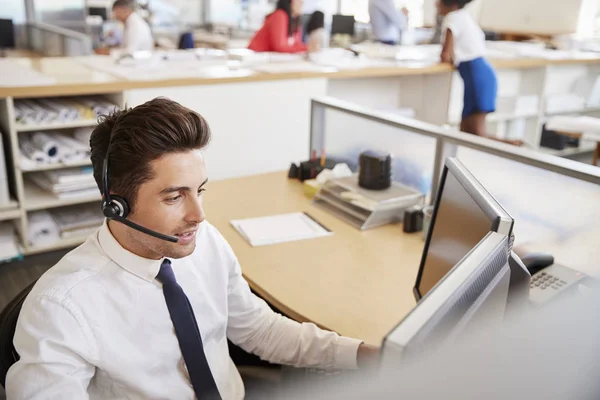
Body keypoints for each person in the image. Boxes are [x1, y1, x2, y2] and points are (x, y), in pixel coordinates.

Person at [6, 98, 379, 399]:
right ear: (114, 203)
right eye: (174, 197)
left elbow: (258, 330)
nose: (198, 215)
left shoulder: (206, 243)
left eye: (199, 190)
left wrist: (361, 355)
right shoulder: (60, 308)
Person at [437, 0, 522, 146]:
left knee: (476, 136)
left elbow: (445, 55)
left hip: (477, 77)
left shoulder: (452, 18)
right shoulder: (464, 16)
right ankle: (512, 145)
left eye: (438, 2)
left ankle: (513, 146)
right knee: (466, 133)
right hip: (481, 74)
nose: (436, 4)